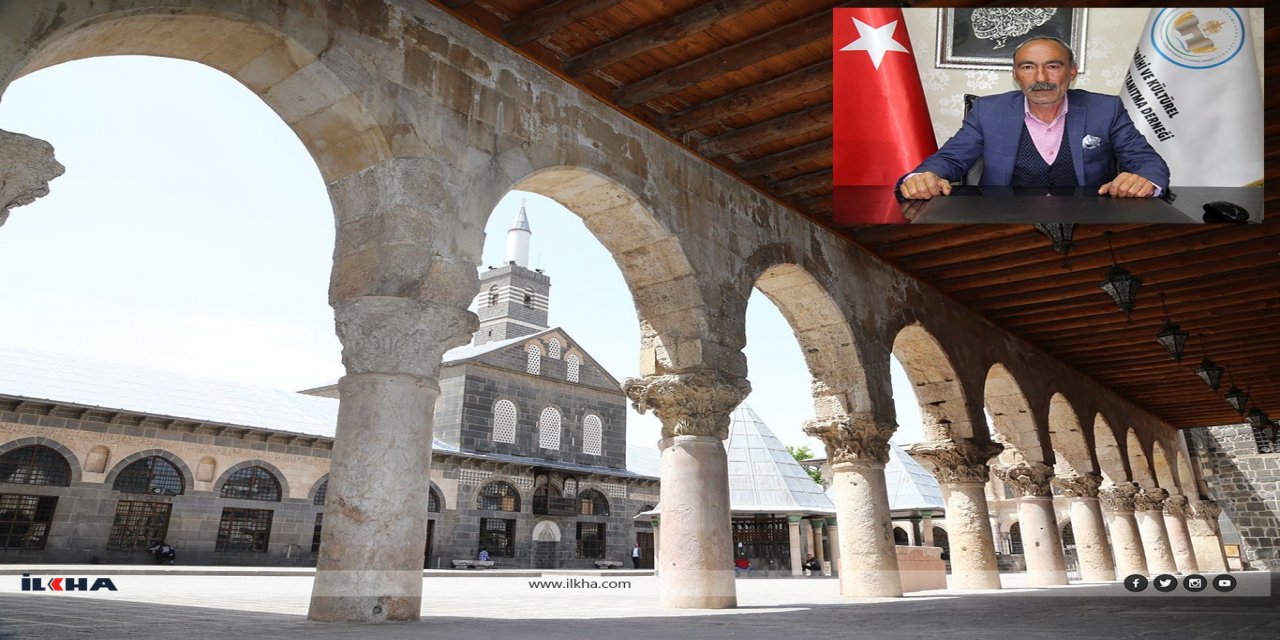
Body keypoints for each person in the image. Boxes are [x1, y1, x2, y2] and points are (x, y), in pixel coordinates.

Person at [898, 36, 1169, 201]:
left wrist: (1144, 180)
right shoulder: (988, 110)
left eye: (1053, 66)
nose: (1041, 78)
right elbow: (950, 159)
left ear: (1072, 72)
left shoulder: (1105, 108)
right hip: (1004, 222)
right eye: (1028, 67)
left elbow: (1147, 162)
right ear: (1016, 74)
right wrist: (925, 176)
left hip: (1089, 222)